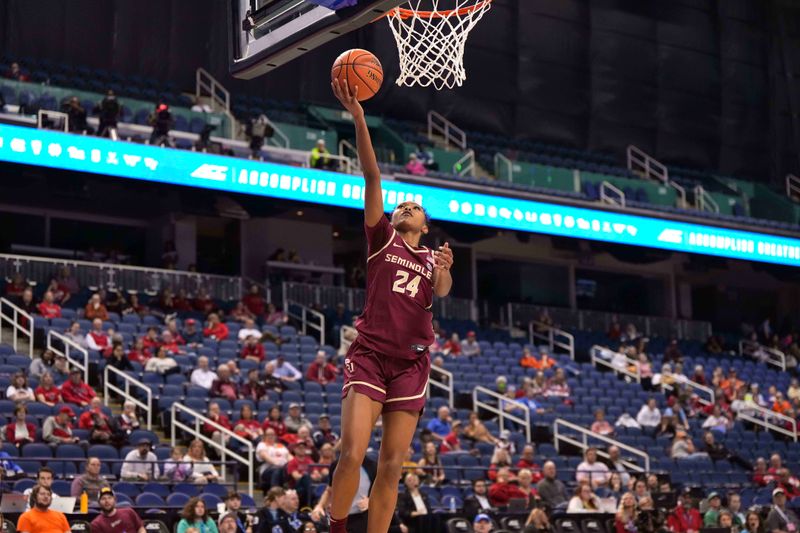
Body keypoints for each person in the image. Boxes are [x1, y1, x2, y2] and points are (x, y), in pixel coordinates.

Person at [326, 79, 454, 533]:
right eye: (401, 204)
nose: (405, 206)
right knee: (352, 454)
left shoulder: (431, 258)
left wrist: (443, 269)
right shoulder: (382, 239)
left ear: (425, 224)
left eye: (414, 206)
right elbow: (373, 176)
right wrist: (359, 117)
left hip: (411, 365)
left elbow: (440, 292)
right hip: (371, 356)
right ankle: (338, 526)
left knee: (392, 466)